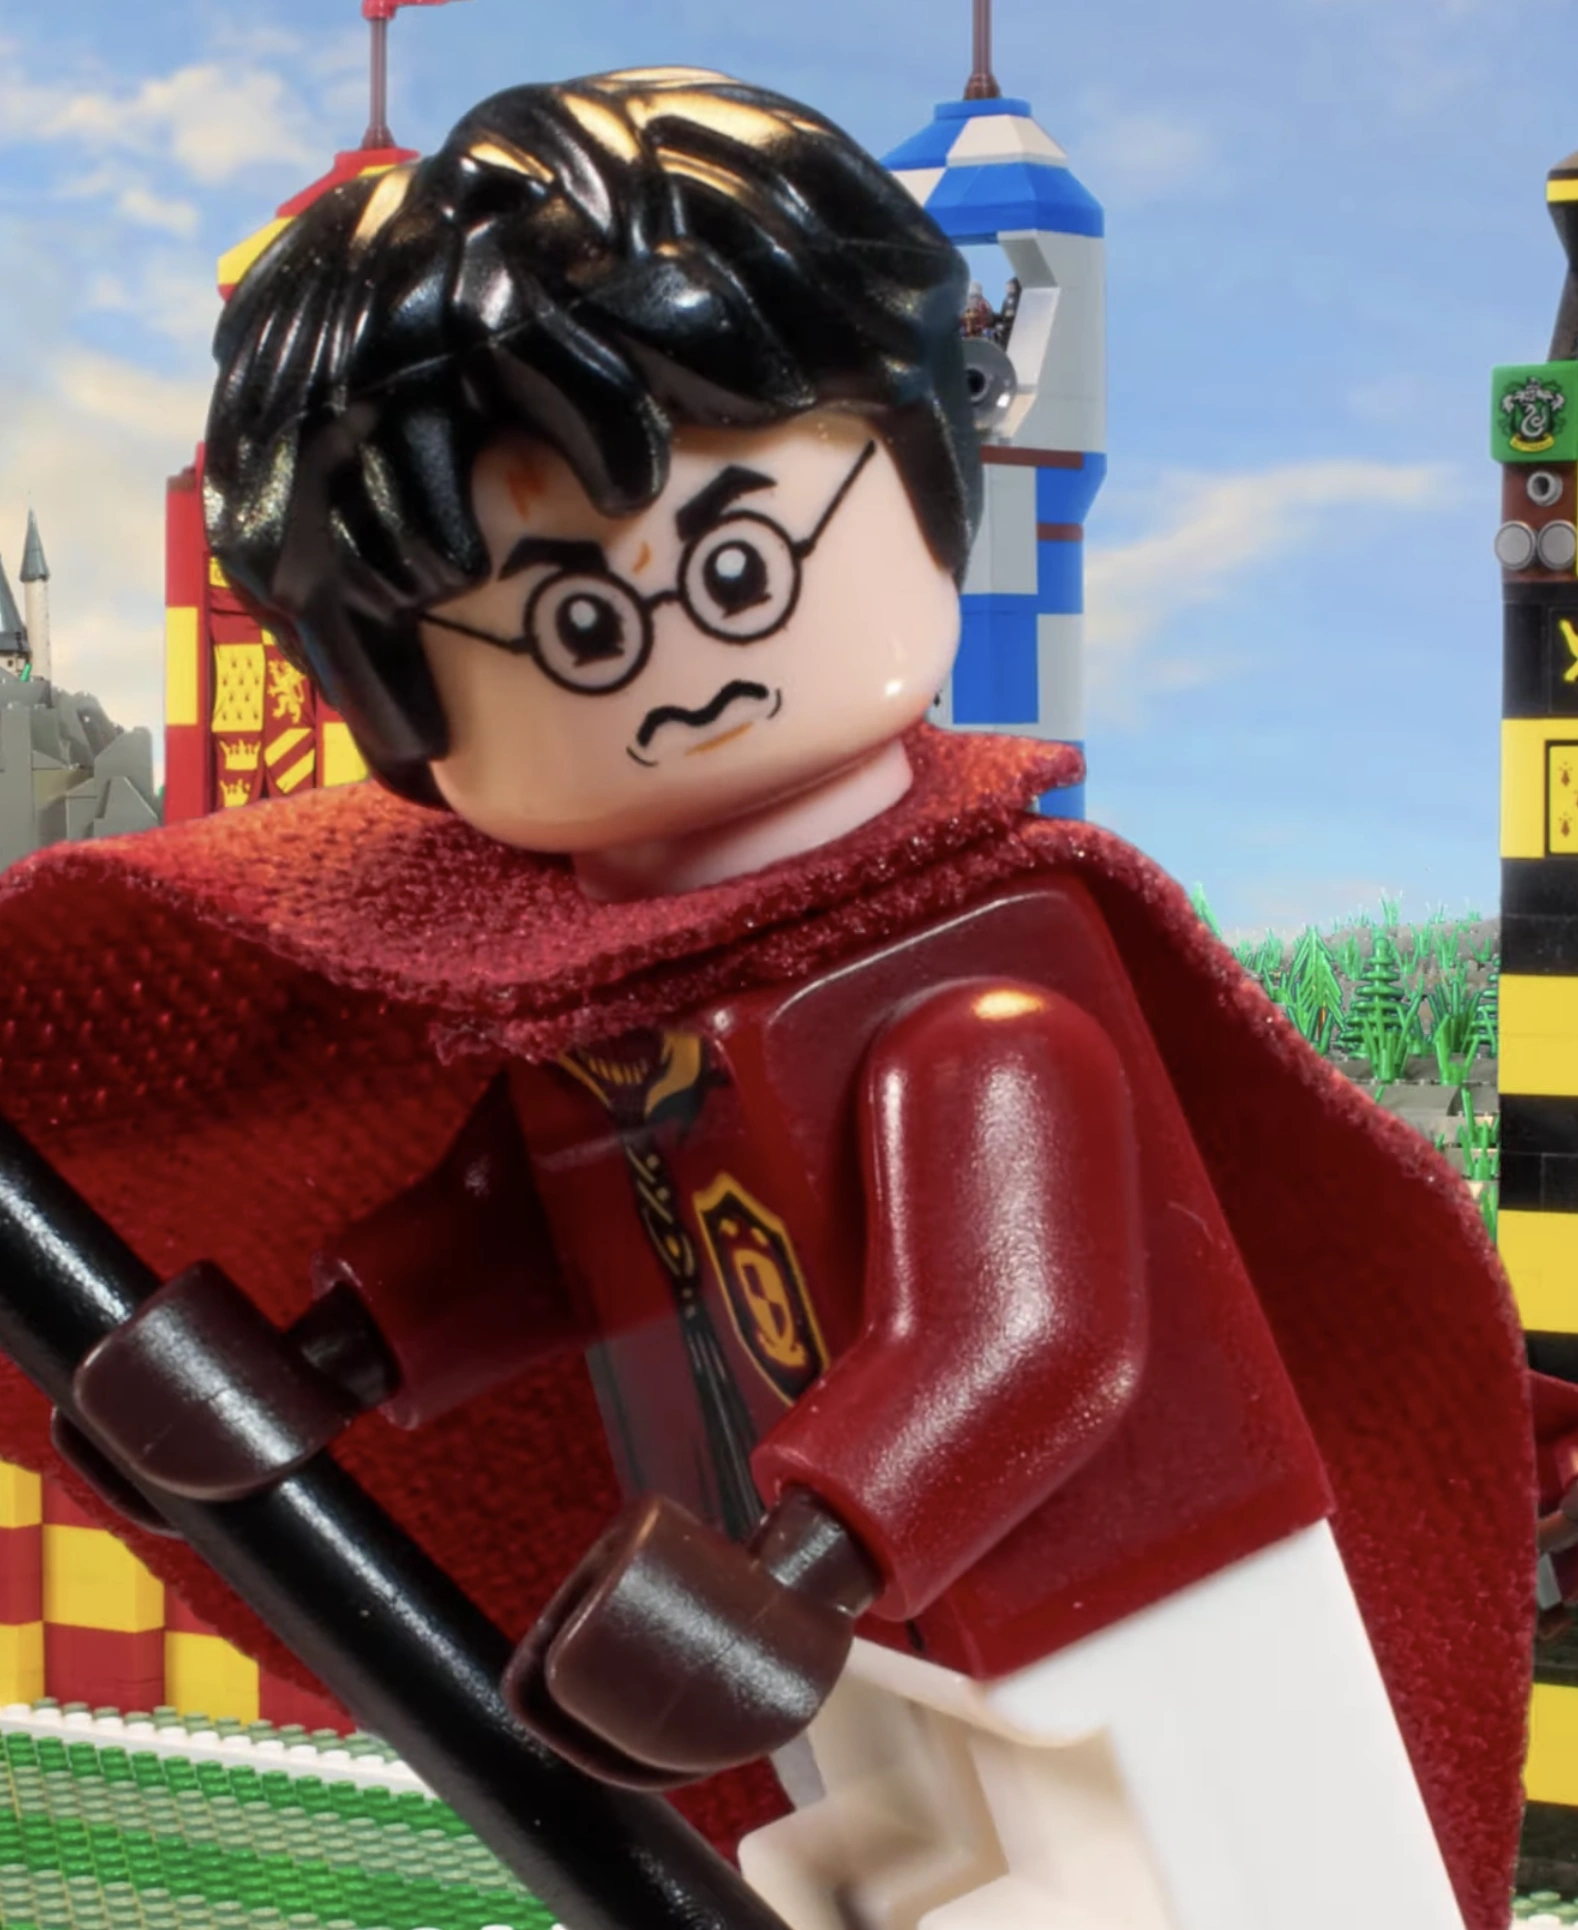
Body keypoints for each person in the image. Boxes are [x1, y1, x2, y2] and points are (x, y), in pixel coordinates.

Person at [0, 69, 1533, 1930]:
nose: (676, 661)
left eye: (738, 563)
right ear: (398, 699)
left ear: (922, 469)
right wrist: (316, 1365)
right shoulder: (617, 1014)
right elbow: (531, 1231)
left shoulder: (971, 987)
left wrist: (802, 1570)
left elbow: (1026, 1334)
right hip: (846, 1620)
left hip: (1133, 1619)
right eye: (570, 625)